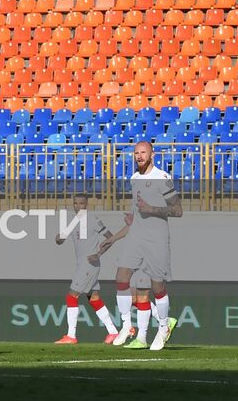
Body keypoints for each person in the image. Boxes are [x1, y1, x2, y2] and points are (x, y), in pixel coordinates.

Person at [111, 141, 180, 351]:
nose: (139, 156)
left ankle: (163, 327)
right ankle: (126, 326)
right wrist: (134, 217)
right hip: (137, 236)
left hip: (156, 239)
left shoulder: (162, 178)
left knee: (157, 286)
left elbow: (177, 210)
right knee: (121, 277)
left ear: (152, 155)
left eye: (143, 152)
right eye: (136, 153)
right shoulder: (134, 178)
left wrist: (151, 209)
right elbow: (138, 207)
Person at [53, 192, 121, 344]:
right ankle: (113, 332)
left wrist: (99, 254)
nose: (78, 206)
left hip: (89, 263)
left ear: (86, 204)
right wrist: (58, 238)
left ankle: (71, 335)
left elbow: (110, 238)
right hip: (82, 264)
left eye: (81, 203)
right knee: (94, 298)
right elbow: (60, 241)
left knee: (71, 296)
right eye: (76, 203)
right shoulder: (72, 222)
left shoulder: (93, 220)